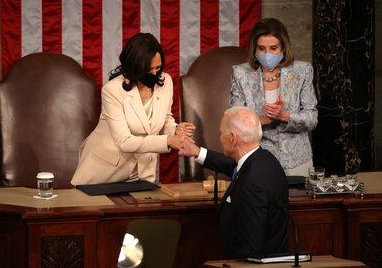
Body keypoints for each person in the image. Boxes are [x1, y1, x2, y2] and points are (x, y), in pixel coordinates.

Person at [71, 33, 195, 185]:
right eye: (149, 69)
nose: (155, 74)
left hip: (142, 173)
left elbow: (166, 119)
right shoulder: (112, 90)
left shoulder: (165, 82)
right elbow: (124, 141)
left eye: (158, 67)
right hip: (104, 172)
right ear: (135, 66)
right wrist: (168, 140)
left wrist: (176, 130)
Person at [179, 106, 288, 259]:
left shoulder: (252, 181)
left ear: (233, 138)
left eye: (221, 133)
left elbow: (251, 249)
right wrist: (197, 152)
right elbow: (236, 167)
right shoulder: (264, 160)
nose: (220, 137)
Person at [229, 18, 318, 177]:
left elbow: (312, 118)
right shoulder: (241, 73)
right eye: (262, 48)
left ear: (283, 47)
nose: (267, 54)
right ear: (254, 49)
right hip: (257, 159)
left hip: (297, 161)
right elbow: (233, 121)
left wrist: (285, 116)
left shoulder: (302, 71)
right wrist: (263, 120)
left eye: (273, 48)